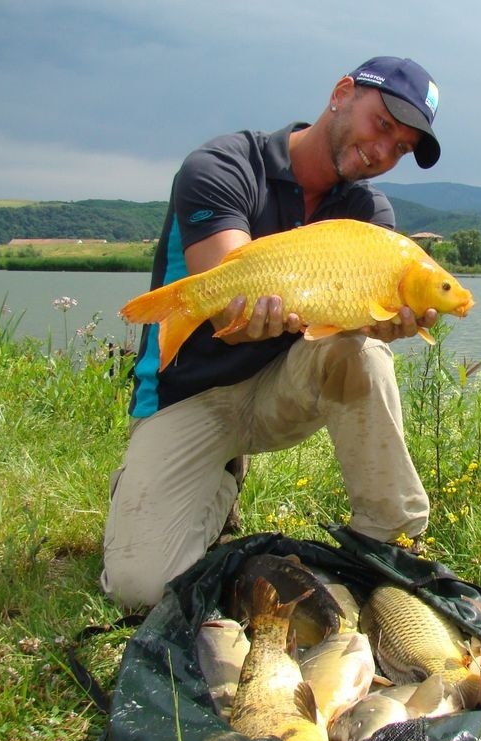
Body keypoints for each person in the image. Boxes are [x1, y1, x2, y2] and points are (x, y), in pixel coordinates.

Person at [101, 57, 443, 608]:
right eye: (382, 125)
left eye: (400, 148)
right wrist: (245, 315)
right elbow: (225, 313)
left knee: (364, 352)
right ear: (342, 93)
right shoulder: (222, 165)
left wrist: (383, 323)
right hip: (188, 396)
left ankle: (389, 539)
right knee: (141, 591)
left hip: (281, 390)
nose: (383, 153)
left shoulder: (367, 212)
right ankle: (215, 480)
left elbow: (346, 336)